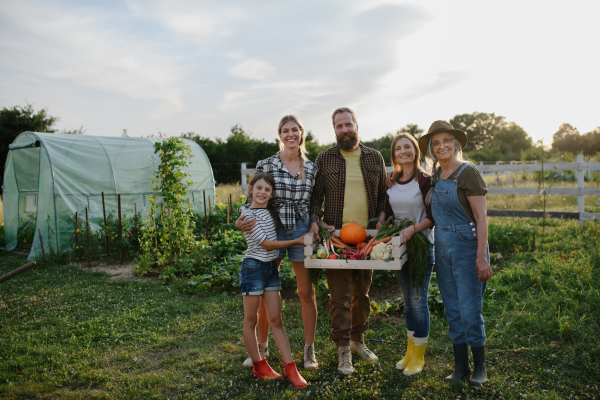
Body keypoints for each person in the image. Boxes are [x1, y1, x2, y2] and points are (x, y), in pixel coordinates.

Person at [236, 115, 320, 370]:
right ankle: (261, 348)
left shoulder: (312, 167)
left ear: (301, 133)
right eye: (285, 131)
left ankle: (308, 350)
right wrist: (241, 217)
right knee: (264, 292)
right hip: (272, 227)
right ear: (280, 135)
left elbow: (315, 201)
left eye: (295, 130)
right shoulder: (268, 163)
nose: (290, 134)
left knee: (305, 292)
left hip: (301, 229)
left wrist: (316, 220)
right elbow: (254, 195)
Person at [309, 107, 387, 375]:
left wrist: (381, 220)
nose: (344, 130)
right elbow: (314, 199)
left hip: (366, 239)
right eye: (339, 126)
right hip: (336, 240)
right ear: (334, 130)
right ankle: (343, 348)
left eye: (348, 125)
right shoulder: (325, 159)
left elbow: (383, 198)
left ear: (356, 125)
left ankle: (358, 341)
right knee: (340, 296)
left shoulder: (374, 158)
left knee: (362, 295)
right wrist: (319, 224)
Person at [419, 120, 493, 387]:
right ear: (431, 149)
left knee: (470, 308)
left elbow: (481, 217)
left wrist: (481, 256)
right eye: (436, 143)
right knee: (451, 308)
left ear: (456, 144)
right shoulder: (437, 176)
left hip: (467, 245)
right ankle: (461, 365)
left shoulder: (468, 173)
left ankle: (480, 367)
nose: (442, 146)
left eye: (446, 140)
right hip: (443, 246)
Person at [239, 172, 307, 389]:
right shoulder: (247, 215)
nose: (262, 192)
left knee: (276, 319)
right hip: (253, 268)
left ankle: (290, 366)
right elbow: (266, 245)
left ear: (271, 194)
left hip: (270, 269)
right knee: (251, 320)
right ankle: (259, 365)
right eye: (258, 188)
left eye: (267, 190)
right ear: (250, 189)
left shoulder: (269, 212)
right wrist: (296, 241)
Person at [384, 133, 435, 376]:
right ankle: (409, 351)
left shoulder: (424, 180)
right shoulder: (391, 180)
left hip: (421, 246)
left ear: (415, 151)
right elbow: (386, 211)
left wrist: (412, 229)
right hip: (399, 247)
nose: (403, 151)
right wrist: (381, 228)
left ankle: (419, 357)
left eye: (408, 147)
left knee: (417, 301)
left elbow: (432, 217)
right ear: (393, 154)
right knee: (407, 302)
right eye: (398, 148)